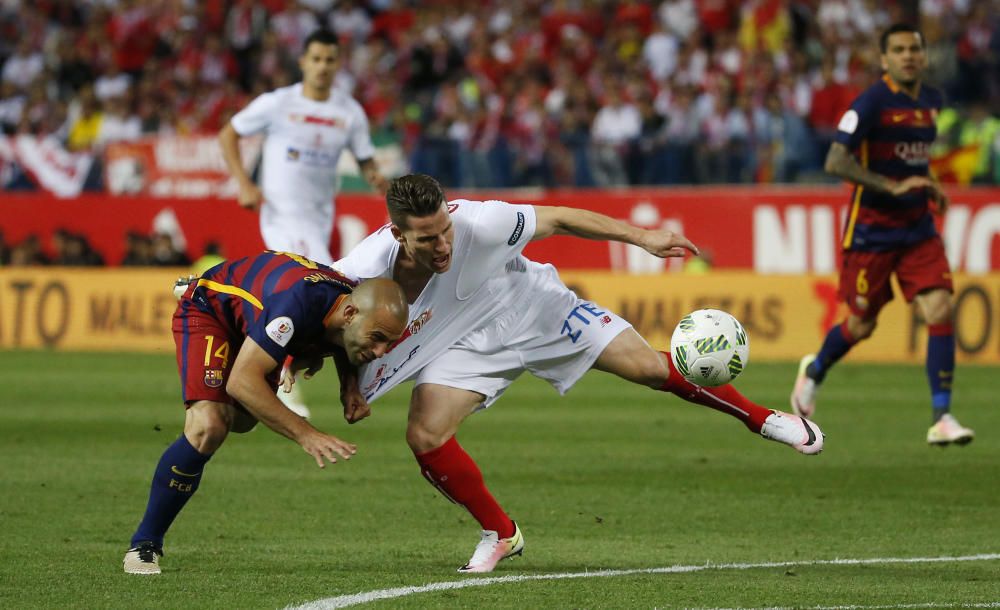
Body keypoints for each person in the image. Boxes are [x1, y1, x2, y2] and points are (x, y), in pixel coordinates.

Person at [332, 174, 825, 573]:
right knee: (424, 433)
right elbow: (332, 324)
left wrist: (642, 236)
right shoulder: (363, 268)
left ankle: (760, 417)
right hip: (464, 340)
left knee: (649, 368)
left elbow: (562, 218)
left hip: (530, 304)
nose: (443, 244)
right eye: (428, 238)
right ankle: (501, 533)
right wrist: (344, 382)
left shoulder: (483, 222)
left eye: (446, 231)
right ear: (398, 235)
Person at [122, 251, 408, 575]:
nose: (381, 352)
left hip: (263, 317)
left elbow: (346, 337)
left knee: (242, 421)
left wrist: (349, 386)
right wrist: (306, 433)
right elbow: (242, 383)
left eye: (389, 343)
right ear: (350, 312)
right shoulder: (297, 305)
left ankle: (274, 343)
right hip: (211, 310)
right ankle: (144, 544)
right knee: (210, 426)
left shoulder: (349, 307)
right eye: (378, 339)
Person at [790, 23, 974, 447]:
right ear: (884, 58)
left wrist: (929, 182)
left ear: (924, 57)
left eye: (915, 49)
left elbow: (913, 160)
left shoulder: (931, 101)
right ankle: (815, 370)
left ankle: (942, 416)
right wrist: (891, 187)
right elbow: (836, 161)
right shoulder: (870, 102)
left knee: (940, 308)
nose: (908, 55)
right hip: (871, 233)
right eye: (899, 49)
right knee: (861, 323)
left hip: (917, 229)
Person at [218, 28, 389, 418]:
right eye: (316, 59)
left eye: (330, 60)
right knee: (307, 293)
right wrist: (244, 182)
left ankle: (286, 375)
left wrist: (377, 177)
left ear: (337, 64)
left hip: (318, 220)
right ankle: (280, 381)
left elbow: (366, 161)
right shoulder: (278, 103)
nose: (323, 67)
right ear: (303, 62)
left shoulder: (349, 112)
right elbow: (228, 134)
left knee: (329, 300)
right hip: (281, 216)